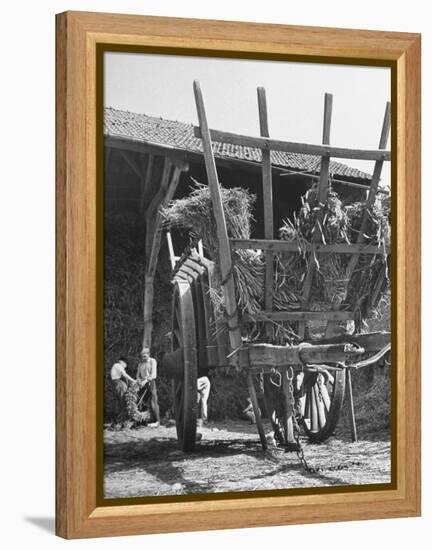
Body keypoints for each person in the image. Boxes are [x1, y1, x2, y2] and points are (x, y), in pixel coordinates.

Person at [136, 347, 160, 428]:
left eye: (145, 355)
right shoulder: (140, 363)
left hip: (151, 382)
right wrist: (139, 381)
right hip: (142, 384)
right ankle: (143, 421)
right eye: (142, 356)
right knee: (142, 402)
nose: (143, 357)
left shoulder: (152, 361)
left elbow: (154, 375)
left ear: (148, 354)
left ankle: (157, 421)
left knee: (153, 401)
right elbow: (138, 375)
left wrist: (145, 381)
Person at [110, 357, 136, 427]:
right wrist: (134, 381)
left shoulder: (115, 366)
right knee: (123, 402)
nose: (125, 367)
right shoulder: (118, 365)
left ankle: (116, 423)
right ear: (122, 362)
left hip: (116, 383)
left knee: (118, 402)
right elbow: (124, 374)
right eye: (125, 365)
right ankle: (123, 423)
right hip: (119, 384)